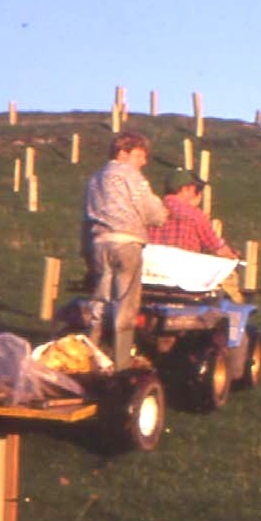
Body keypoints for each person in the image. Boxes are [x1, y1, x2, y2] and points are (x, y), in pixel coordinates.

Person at [81, 130, 167, 367]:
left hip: (99, 243)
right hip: (127, 242)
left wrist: (86, 252)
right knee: (125, 305)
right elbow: (152, 211)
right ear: (123, 153)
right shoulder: (132, 176)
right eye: (139, 155)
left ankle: (91, 356)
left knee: (100, 302)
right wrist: (162, 213)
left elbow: (86, 220)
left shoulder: (94, 180)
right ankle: (121, 362)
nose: (144, 162)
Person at [148, 167, 245, 301]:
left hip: (151, 277)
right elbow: (216, 247)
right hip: (183, 281)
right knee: (230, 285)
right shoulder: (193, 214)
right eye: (196, 190)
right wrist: (234, 257)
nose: (198, 194)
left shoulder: (149, 211)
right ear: (185, 189)